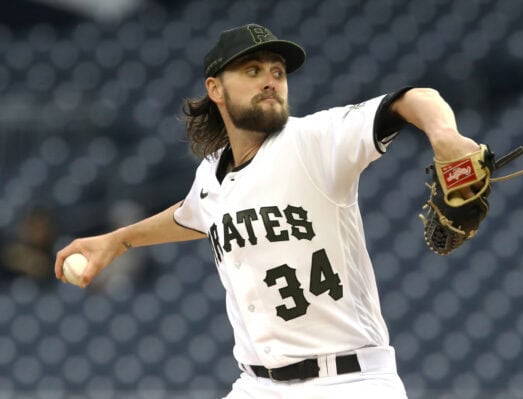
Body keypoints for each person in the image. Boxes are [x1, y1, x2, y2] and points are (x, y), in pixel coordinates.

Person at [55, 23, 480, 398]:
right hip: (256, 385)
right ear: (215, 89)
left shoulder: (314, 141)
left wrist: (445, 136)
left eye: (277, 72)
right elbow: (191, 214)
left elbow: (414, 98)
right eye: (252, 71)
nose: (271, 81)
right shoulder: (211, 175)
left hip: (347, 382)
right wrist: (119, 239)